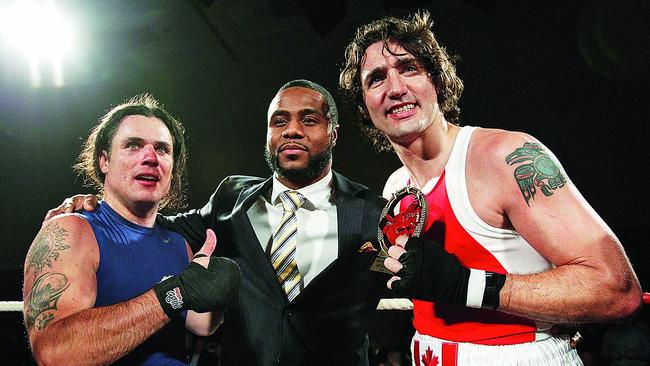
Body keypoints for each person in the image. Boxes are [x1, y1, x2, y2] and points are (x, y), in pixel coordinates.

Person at [338, 11, 643, 365]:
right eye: (376, 78)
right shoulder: (397, 187)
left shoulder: (505, 157)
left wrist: (467, 285)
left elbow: (617, 290)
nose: (395, 88)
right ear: (364, 106)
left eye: (408, 68)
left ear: (436, 80)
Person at [45, 80, 392, 366]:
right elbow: (157, 224)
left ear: (333, 133)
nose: (293, 131)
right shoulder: (231, 197)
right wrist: (93, 207)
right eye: (280, 121)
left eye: (309, 120)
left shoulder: (372, 214)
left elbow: (410, 279)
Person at [24, 94, 241, 365]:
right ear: (104, 160)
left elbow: (202, 325)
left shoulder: (176, 243)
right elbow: (56, 353)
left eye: (162, 149)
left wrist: (220, 291)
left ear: (172, 169)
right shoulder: (71, 230)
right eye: (133, 146)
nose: (150, 157)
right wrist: (172, 295)